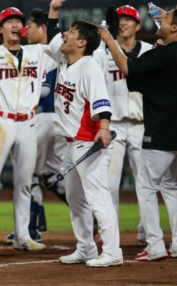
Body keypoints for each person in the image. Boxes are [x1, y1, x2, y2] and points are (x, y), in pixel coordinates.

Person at [100, 7, 177, 261]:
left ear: (175, 28)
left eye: (166, 19)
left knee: (146, 186)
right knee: (170, 185)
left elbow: (126, 68)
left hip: (164, 129)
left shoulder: (163, 53)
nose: (160, 20)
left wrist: (109, 40)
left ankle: (155, 245)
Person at [0, 4, 57, 252]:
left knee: (25, 182)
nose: (16, 24)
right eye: (10, 21)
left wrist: (53, 14)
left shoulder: (38, 52)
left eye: (19, 20)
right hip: (1, 121)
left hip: (28, 122)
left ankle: (23, 236)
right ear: (0, 28)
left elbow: (61, 47)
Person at [45, 20, 123, 267]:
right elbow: (53, 36)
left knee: (98, 197)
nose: (65, 35)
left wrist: (104, 128)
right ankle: (86, 248)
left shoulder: (89, 66)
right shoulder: (65, 60)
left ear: (82, 42)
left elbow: (101, 100)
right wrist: (53, 13)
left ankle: (112, 252)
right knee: (76, 199)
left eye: (72, 33)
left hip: (88, 142)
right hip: (70, 144)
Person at [2, 0, 69, 245]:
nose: (25, 29)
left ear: (43, 28)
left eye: (30, 25)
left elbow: (41, 89)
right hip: (61, 121)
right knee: (51, 175)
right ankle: (87, 214)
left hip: (42, 117)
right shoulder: (58, 50)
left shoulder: (42, 51)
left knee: (28, 175)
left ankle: (30, 228)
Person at [92, 5, 152, 244]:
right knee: (109, 184)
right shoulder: (102, 51)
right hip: (113, 124)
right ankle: (110, 235)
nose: (124, 23)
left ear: (138, 25)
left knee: (146, 182)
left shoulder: (150, 51)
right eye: (120, 19)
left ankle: (148, 231)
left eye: (129, 19)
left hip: (141, 124)